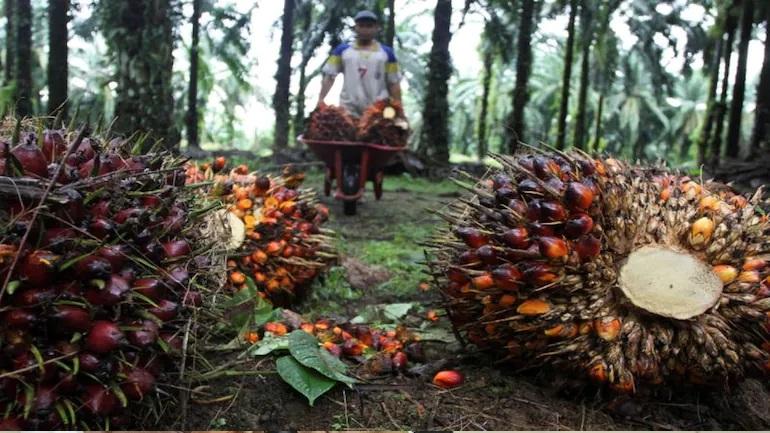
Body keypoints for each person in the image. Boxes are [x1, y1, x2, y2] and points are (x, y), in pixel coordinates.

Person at [317, 10, 402, 117]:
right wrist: (320, 101)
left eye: (369, 26)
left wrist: (399, 110)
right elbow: (329, 77)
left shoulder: (387, 54)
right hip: (348, 111)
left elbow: (394, 84)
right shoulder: (342, 51)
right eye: (361, 26)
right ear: (355, 28)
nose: (365, 30)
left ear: (377, 28)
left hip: (378, 111)